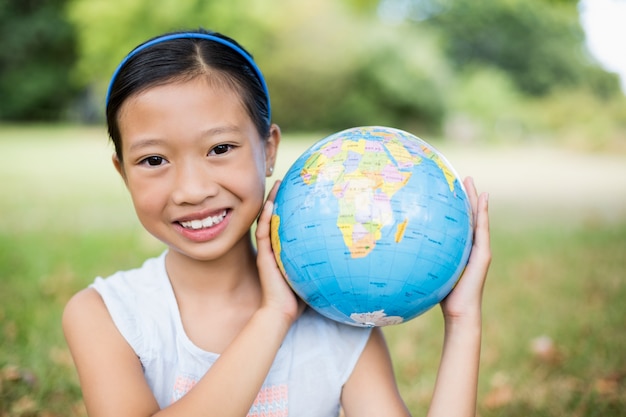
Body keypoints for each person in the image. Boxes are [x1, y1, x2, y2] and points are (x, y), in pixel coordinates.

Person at [63, 28, 491, 417]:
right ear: (123, 173)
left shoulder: (340, 315)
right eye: (153, 160)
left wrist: (463, 320)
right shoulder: (108, 315)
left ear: (268, 150)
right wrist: (273, 317)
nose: (191, 190)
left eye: (219, 148)